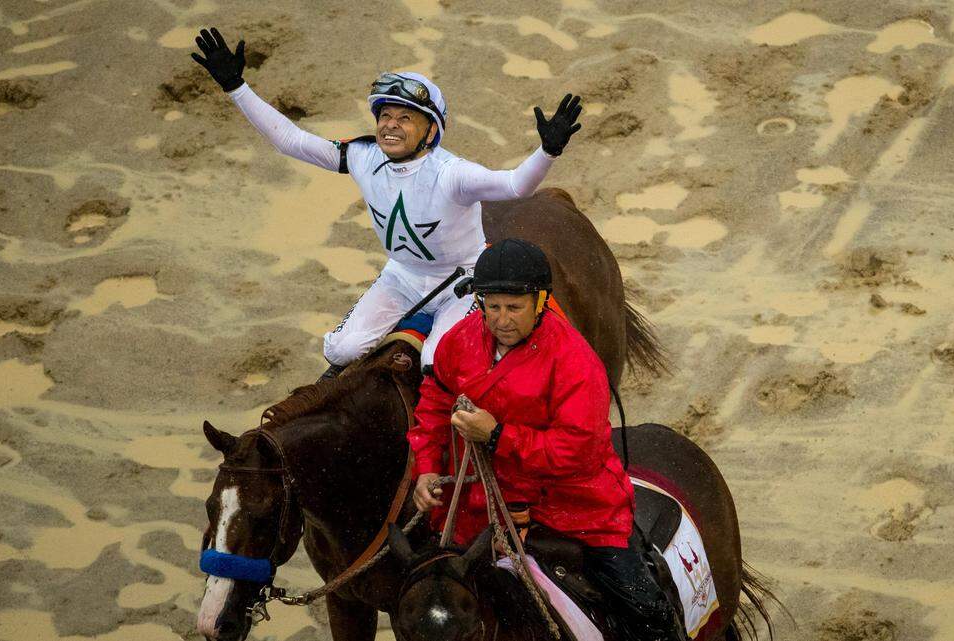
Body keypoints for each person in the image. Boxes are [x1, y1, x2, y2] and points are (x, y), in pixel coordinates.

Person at [191, 28, 584, 377]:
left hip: (461, 281)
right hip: (400, 276)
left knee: (436, 363)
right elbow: (290, 141)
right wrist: (236, 87)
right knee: (341, 350)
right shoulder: (363, 156)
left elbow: (516, 186)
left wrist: (547, 150)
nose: (391, 124)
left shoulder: (452, 174)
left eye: (405, 118)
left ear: (430, 131)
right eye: (386, 115)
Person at [409, 238, 684, 640]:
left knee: (647, 615)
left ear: (540, 302)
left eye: (514, 307)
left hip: (574, 505)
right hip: (475, 503)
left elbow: (578, 451)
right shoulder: (461, 340)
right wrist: (428, 469)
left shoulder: (575, 361)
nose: (502, 319)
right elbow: (434, 403)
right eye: (493, 306)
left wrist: (497, 435)